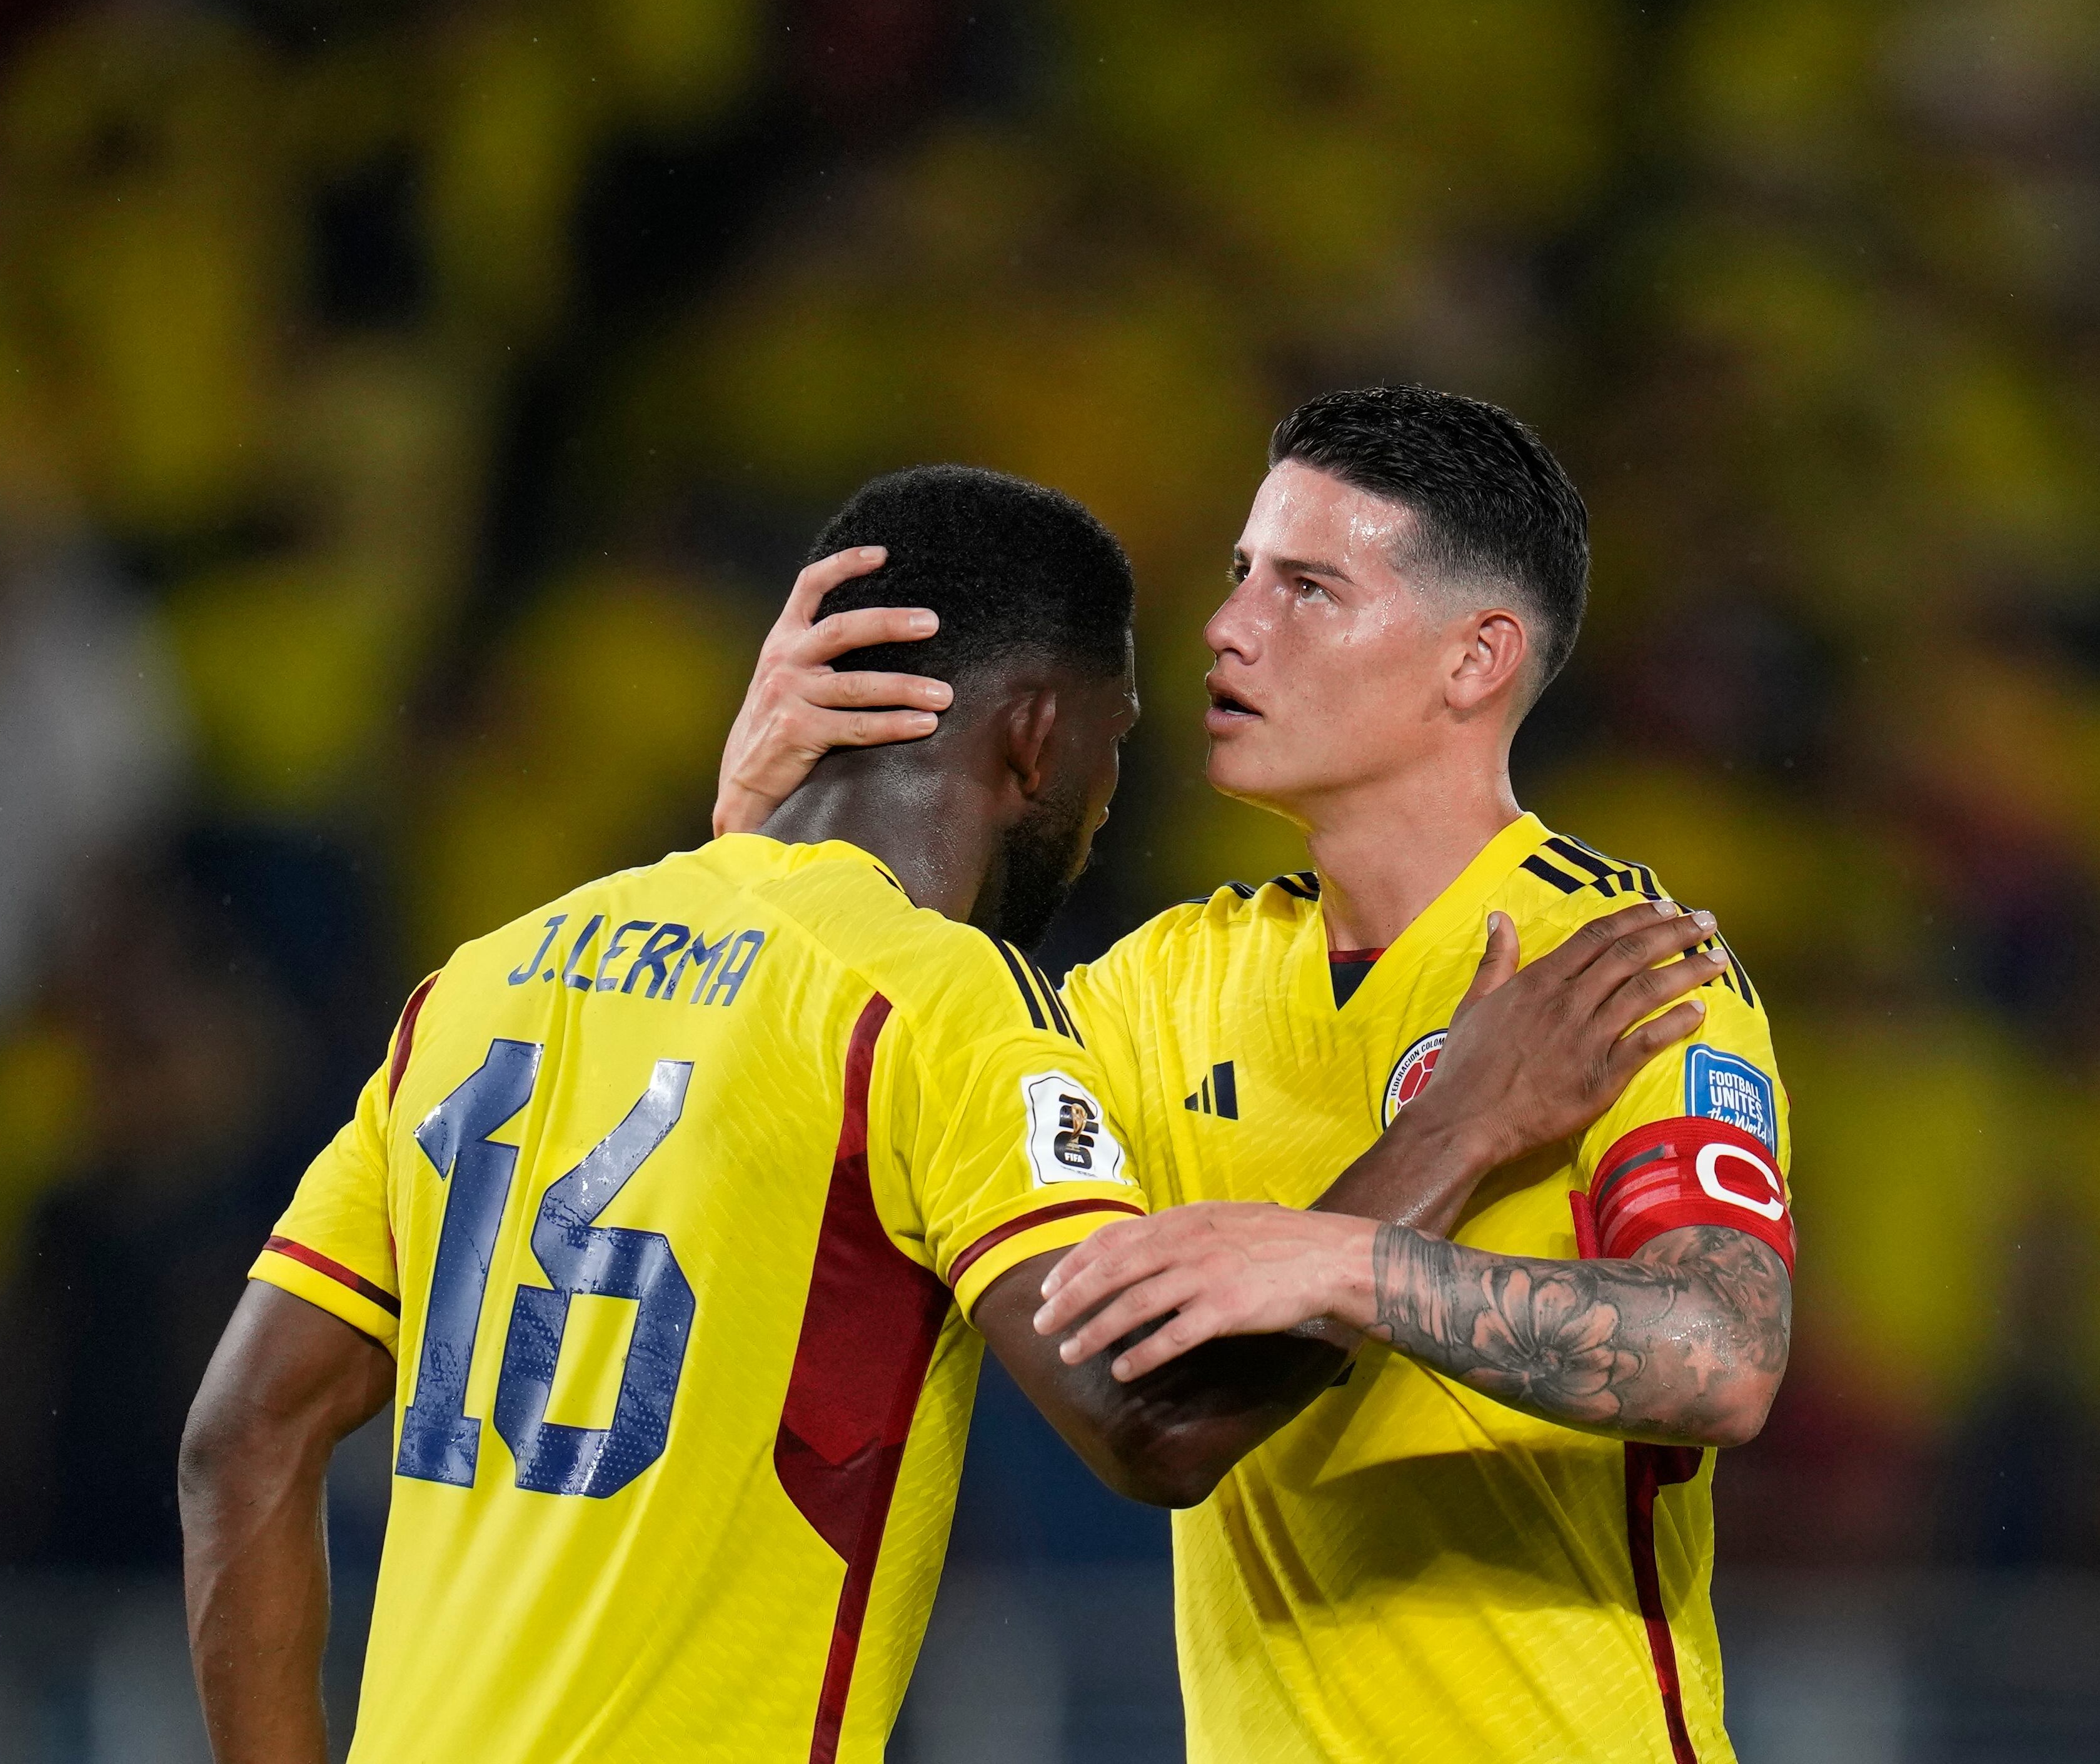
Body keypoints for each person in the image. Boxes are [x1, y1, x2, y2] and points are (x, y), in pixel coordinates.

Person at [179, 462, 1726, 1764]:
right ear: (1036, 737)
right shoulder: (936, 1003)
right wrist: (1456, 1125)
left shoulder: (485, 980)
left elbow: (240, 1436)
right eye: (1113, 742)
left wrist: (742, 828)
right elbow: (1160, 1419)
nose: (1114, 794)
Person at [715, 386, 1794, 1763]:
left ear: (1473, 660)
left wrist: (1342, 1266)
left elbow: (1722, 1353)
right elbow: (829, 1092)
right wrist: (756, 830)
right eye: (1238, 575)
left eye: (1307, 587)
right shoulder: (1168, 982)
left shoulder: (1612, 969)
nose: (1225, 628)